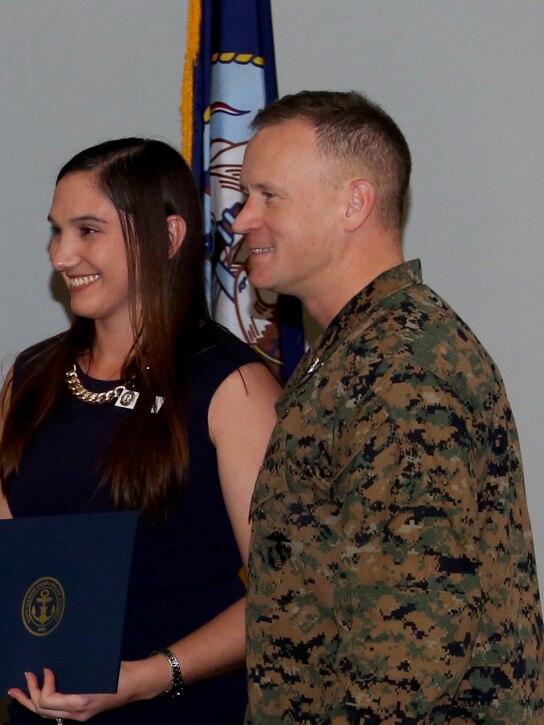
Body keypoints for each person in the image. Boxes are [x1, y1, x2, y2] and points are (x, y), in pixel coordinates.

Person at [0, 138, 281, 722]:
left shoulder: (233, 388)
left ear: (167, 238)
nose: (62, 255)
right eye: (56, 231)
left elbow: (282, 596)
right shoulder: (30, 377)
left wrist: (148, 676)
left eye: (88, 231)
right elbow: (8, 571)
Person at [237, 90, 544, 721]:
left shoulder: (404, 366)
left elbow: (410, 645)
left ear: (354, 203)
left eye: (269, 195)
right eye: (247, 196)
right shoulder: (355, 350)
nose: (242, 219)